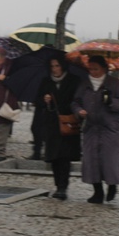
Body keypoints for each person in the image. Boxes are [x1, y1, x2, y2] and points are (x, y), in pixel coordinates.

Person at [72, 55, 119, 204]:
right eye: (90, 69)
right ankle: (97, 191)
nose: (93, 72)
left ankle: (112, 186)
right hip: (91, 128)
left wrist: (111, 101)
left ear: (104, 68)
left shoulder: (114, 84)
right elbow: (76, 102)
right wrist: (79, 111)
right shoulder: (84, 84)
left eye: (96, 69)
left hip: (110, 128)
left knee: (110, 160)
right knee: (91, 160)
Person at [37, 57, 82, 200]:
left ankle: (63, 187)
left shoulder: (73, 81)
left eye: (57, 66)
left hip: (68, 122)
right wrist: (45, 101)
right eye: (52, 66)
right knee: (54, 157)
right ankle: (58, 185)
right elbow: (38, 101)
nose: (55, 69)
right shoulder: (46, 81)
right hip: (51, 124)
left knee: (65, 157)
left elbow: (77, 100)